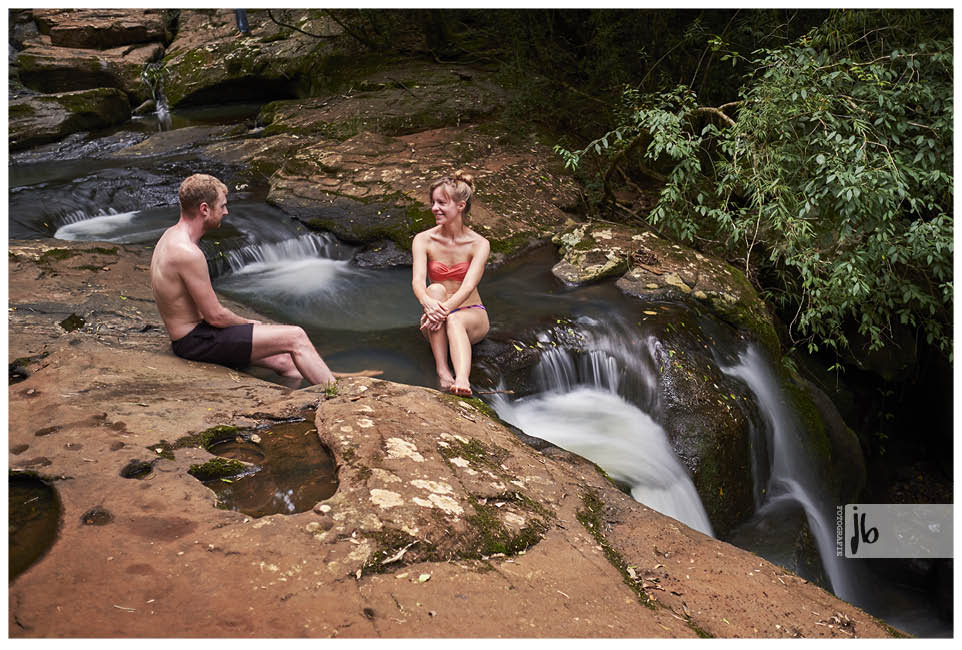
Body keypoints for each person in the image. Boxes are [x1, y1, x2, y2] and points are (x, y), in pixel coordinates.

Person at [151, 174, 366, 387]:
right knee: (295, 336)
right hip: (195, 341)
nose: (226, 212)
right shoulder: (187, 253)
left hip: (196, 335)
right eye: (222, 206)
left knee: (286, 362)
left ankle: (290, 403)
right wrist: (250, 324)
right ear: (205, 209)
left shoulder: (170, 237)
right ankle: (340, 399)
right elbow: (215, 316)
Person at [411, 171, 490, 396]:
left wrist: (441, 312)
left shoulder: (479, 244)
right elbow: (417, 281)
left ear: (460, 206)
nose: (435, 208)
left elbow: (467, 287)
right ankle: (443, 370)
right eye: (433, 202)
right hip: (436, 312)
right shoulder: (423, 240)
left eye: (441, 203)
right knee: (434, 288)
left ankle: (462, 379)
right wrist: (428, 304)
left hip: (471, 314)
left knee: (454, 318)